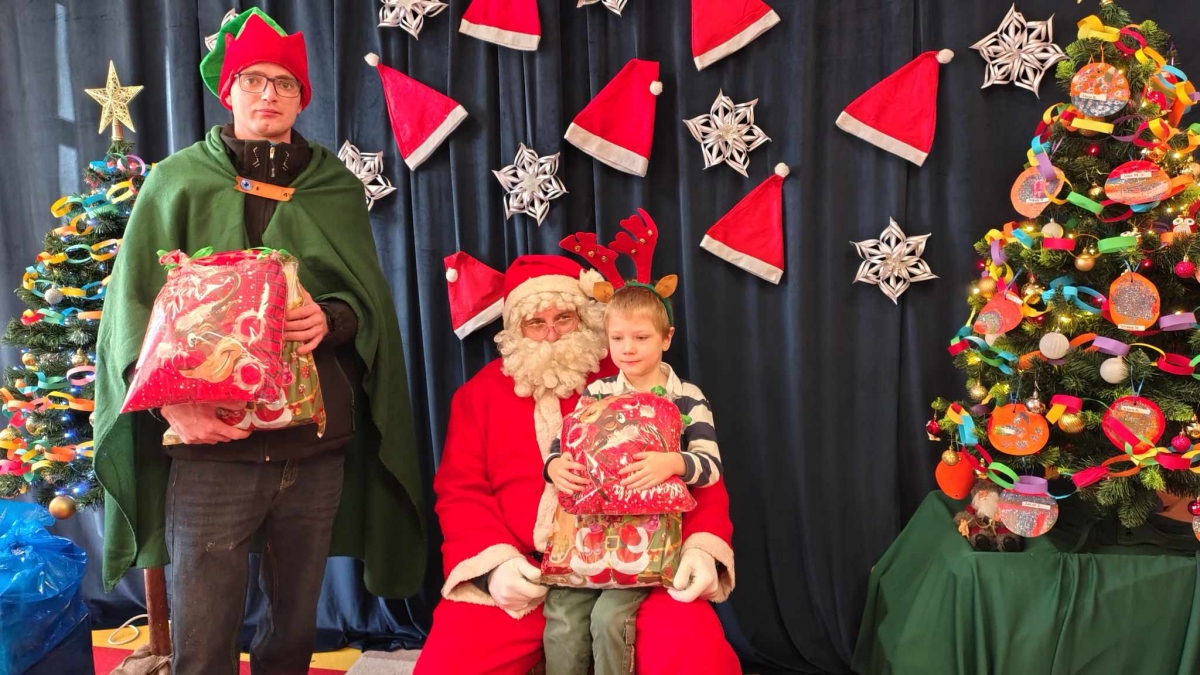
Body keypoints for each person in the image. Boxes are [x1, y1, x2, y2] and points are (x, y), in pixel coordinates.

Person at [93, 9, 424, 675]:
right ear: (229, 91)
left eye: (285, 83)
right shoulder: (178, 180)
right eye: (253, 80)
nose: (269, 94)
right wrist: (170, 406)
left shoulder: (333, 186)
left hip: (313, 445)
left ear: (303, 98)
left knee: (293, 631)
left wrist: (333, 317)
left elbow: (365, 297)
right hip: (213, 448)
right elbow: (132, 310)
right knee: (204, 635)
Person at [416, 255, 740, 674]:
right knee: (448, 665)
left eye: (564, 318)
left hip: (638, 564)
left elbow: (701, 475)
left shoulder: (632, 373)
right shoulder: (477, 396)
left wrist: (701, 548)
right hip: (527, 573)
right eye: (536, 322)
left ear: (585, 318)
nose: (551, 334)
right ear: (515, 329)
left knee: (693, 656)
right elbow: (460, 491)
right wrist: (493, 566)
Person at [541, 282, 725, 675]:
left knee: (608, 618)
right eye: (617, 338)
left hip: (648, 538)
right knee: (562, 614)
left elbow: (710, 466)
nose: (628, 348)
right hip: (589, 534)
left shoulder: (687, 397)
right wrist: (555, 466)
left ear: (666, 338)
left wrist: (673, 462)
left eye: (641, 337)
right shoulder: (597, 392)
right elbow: (562, 444)